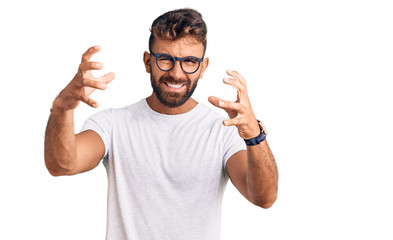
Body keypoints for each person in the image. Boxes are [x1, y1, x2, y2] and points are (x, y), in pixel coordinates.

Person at [44, 8, 278, 240]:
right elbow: (62, 165)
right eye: (165, 59)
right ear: (148, 62)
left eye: (189, 61)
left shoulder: (223, 129)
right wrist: (62, 109)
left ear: (203, 67)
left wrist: (253, 135)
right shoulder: (113, 124)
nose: (176, 73)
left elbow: (264, 198)